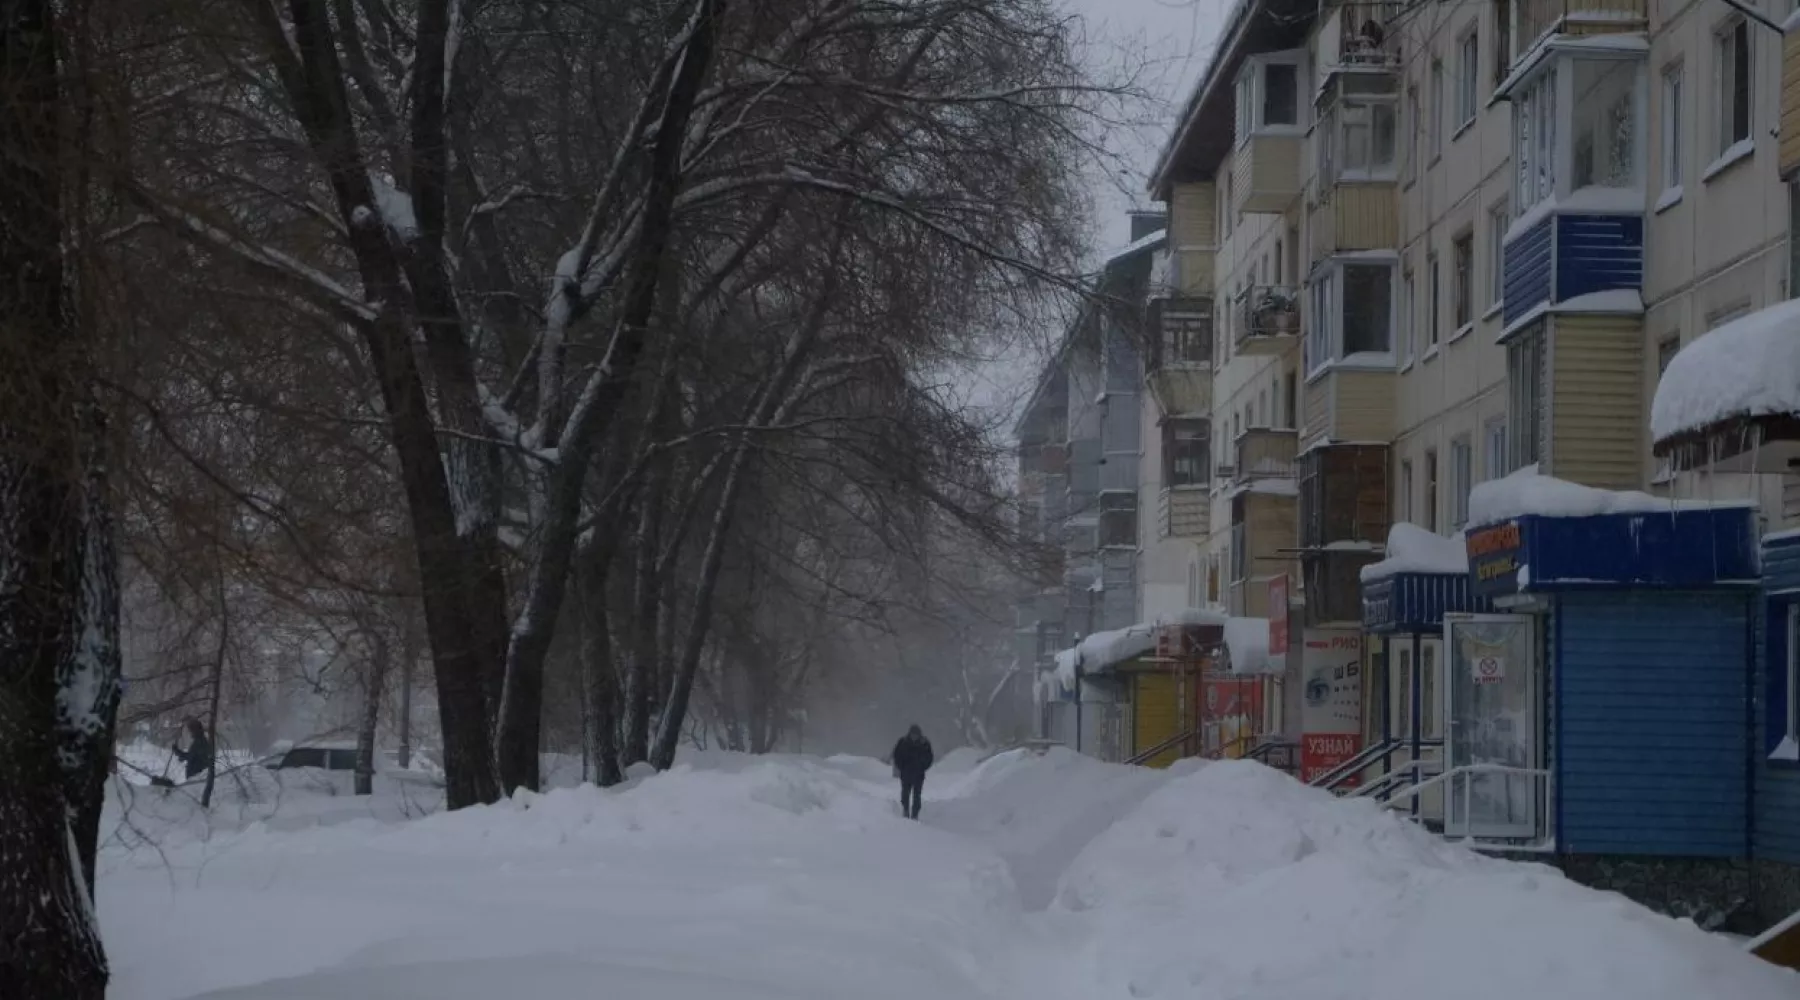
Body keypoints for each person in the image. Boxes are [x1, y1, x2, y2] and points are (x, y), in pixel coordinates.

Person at [890, 724, 933, 820]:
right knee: (905, 793)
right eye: (913, 734)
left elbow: (929, 757)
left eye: (916, 734)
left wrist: (923, 766)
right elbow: (897, 755)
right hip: (906, 773)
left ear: (919, 735)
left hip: (919, 774)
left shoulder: (924, 743)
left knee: (917, 795)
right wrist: (901, 766)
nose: (914, 736)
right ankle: (905, 809)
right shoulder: (903, 742)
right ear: (909, 734)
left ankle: (915, 813)